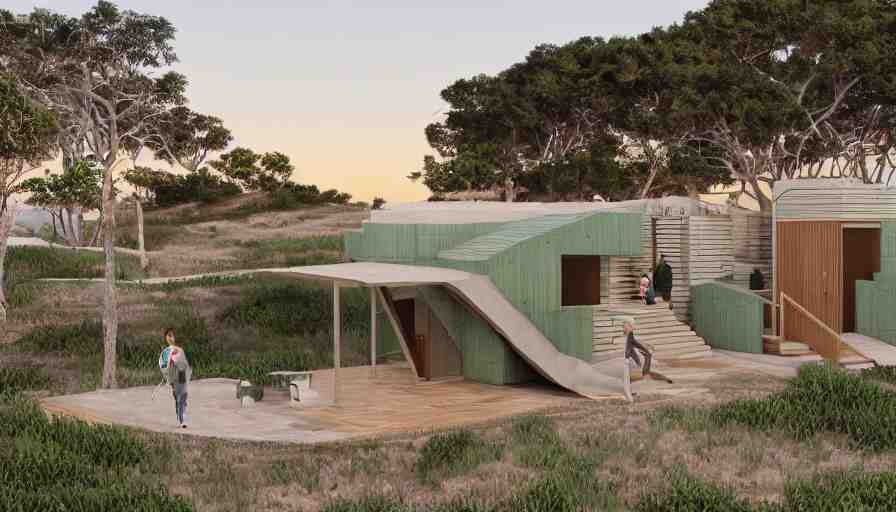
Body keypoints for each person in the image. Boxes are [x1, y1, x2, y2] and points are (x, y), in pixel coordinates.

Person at [163, 328, 191, 428]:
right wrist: (167, 378)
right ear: (165, 338)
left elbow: (184, 365)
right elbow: (164, 367)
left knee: (183, 398)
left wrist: (176, 359)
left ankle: (183, 419)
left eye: (171, 335)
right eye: (168, 336)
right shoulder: (165, 353)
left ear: (174, 337)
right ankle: (180, 419)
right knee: (177, 399)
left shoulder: (180, 350)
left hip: (182, 377)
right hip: (173, 379)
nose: (170, 338)